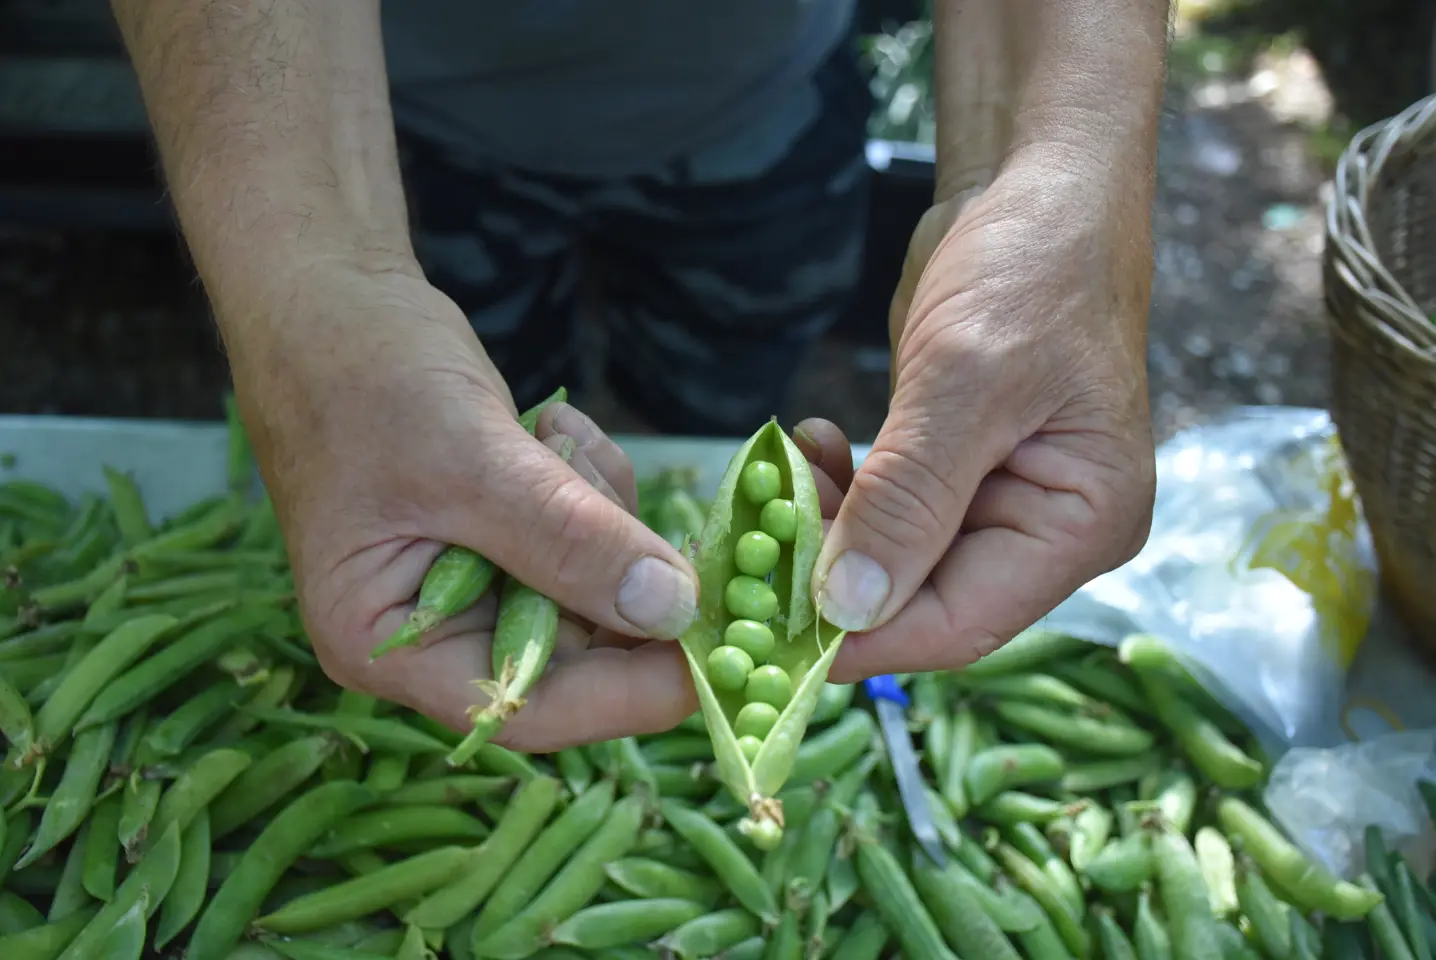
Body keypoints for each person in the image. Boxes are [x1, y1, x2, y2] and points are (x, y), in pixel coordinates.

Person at [109, 1, 1165, 752]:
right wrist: (312, 277)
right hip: (393, 119)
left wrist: (1049, 174)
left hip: (765, 97)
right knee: (492, 422)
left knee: (723, 382)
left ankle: (668, 433)